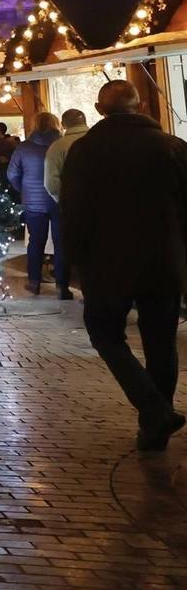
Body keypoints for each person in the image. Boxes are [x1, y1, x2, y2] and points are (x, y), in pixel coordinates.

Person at [59, 79, 187, 451]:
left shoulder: (86, 152)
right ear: (139, 104)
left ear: (100, 110)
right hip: (163, 261)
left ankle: (153, 409)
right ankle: (156, 421)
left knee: (105, 333)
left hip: (106, 263)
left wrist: (75, 259)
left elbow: (74, 211)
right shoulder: (172, 147)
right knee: (161, 341)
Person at [8, 111, 67, 298]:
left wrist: (24, 190)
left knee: (35, 242)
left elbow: (12, 174)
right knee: (61, 243)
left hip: (33, 202)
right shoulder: (61, 145)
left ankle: (34, 282)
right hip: (60, 199)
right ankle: (62, 286)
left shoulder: (24, 148)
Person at [43, 107, 88, 204]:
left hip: (74, 203)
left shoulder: (57, 147)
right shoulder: (101, 139)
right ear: (85, 122)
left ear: (63, 125)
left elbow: (51, 184)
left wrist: (64, 201)